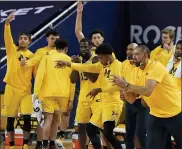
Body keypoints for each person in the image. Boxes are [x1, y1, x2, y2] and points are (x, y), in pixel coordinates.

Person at [110, 45, 182, 149]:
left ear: (145, 56)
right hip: (155, 114)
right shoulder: (136, 71)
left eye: (137, 54)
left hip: (174, 112)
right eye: (133, 54)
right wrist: (123, 88)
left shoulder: (156, 66)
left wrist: (126, 85)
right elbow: (132, 99)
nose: (133, 56)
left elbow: (148, 91)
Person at [56, 43, 123, 149]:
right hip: (103, 103)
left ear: (108, 55)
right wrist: (68, 63)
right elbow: (86, 67)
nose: (100, 60)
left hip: (113, 103)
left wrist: (99, 89)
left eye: (101, 57)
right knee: (90, 129)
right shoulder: (102, 65)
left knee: (107, 134)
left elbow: (118, 87)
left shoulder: (118, 66)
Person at [1, 12, 36, 149]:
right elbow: (7, 37)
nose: (22, 40)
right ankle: (11, 145)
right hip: (11, 89)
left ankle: (26, 145)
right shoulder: (12, 50)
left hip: (26, 91)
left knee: (26, 118)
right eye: (21, 38)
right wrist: (7, 23)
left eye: (25, 38)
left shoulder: (33, 57)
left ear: (29, 41)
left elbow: (36, 75)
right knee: (10, 120)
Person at [33, 39, 75, 149]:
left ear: (55, 47)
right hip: (63, 94)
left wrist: (36, 93)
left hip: (48, 93)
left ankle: (45, 144)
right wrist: (71, 99)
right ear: (66, 49)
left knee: (48, 120)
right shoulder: (69, 60)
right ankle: (52, 143)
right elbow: (73, 81)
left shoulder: (47, 57)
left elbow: (39, 76)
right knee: (57, 120)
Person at [21, 29, 60, 149]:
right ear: (47, 39)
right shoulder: (41, 52)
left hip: (57, 90)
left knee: (56, 118)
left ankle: (52, 143)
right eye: (52, 38)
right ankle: (39, 143)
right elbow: (33, 61)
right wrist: (25, 63)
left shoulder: (60, 52)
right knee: (42, 118)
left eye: (56, 38)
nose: (54, 40)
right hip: (43, 90)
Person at [69, 38, 101, 149]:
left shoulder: (95, 59)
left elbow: (94, 78)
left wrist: (80, 66)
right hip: (83, 97)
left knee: (98, 128)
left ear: (90, 47)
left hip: (97, 97)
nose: (83, 49)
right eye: (81, 47)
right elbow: (73, 80)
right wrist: (75, 66)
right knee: (81, 127)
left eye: (85, 47)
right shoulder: (79, 60)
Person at [122, 43, 147, 149]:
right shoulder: (124, 64)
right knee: (129, 132)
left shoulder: (143, 66)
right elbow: (121, 81)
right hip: (129, 101)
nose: (129, 52)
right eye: (128, 49)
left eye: (132, 50)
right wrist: (122, 92)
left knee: (140, 133)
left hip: (142, 101)